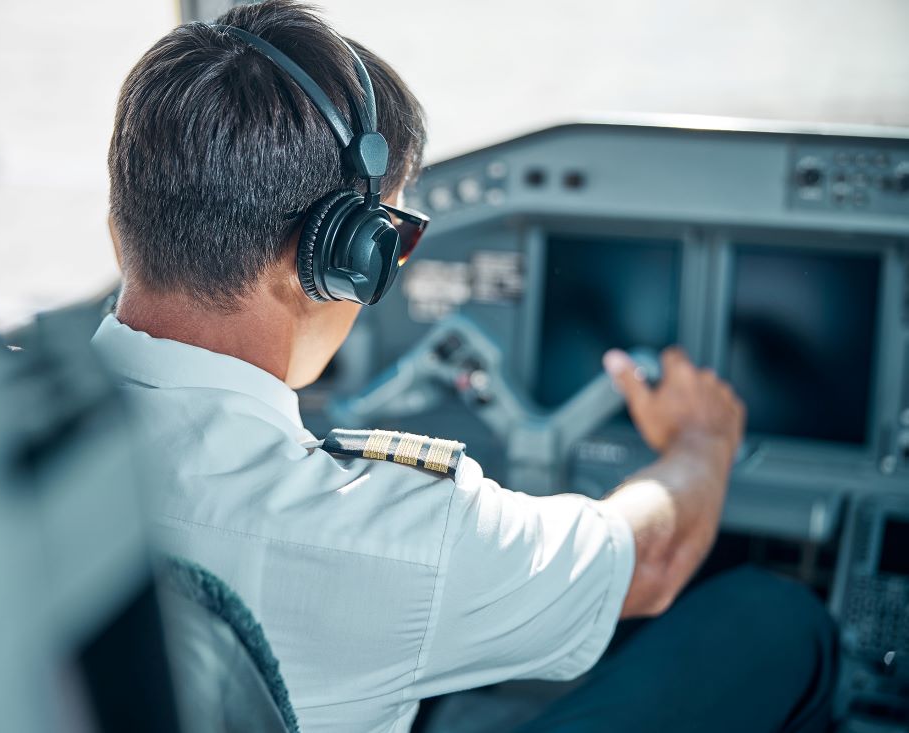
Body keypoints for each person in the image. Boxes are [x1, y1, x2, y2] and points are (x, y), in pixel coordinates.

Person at [92, 2, 837, 731]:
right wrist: (704, 440)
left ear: (120, 228)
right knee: (775, 619)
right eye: (392, 237)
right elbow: (652, 559)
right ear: (335, 256)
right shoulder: (384, 535)